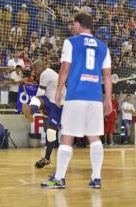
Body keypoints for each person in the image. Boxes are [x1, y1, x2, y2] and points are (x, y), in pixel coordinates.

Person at [41, 12, 112, 189]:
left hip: (75, 96)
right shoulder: (103, 46)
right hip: (95, 98)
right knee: (94, 137)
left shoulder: (71, 41)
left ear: (79, 24)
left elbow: (65, 68)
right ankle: (96, 178)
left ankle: (59, 178)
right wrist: (108, 99)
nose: (73, 27)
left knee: (67, 137)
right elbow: (108, 76)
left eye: (74, 24)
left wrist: (58, 91)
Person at [22, 59, 64, 168]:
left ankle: (47, 158)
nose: (35, 72)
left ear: (40, 66)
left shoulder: (45, 73)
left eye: (35, 69)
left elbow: (40, 93)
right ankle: (30, 112)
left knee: (50, 132)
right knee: (50, 132)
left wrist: (38, 107)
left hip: (58, 106)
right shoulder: (50, 72)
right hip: (52, 102)